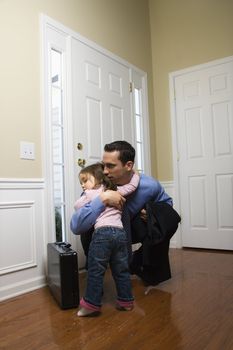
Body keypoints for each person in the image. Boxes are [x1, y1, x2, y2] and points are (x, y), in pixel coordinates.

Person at [70, 140, 175, 287]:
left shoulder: (149, 185)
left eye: (111, 166)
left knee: (167, 220)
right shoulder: (97, 186)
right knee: (89, 221)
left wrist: (151, 213)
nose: (105, 171)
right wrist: (102, 199)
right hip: (103, 232)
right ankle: (94, 273)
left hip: (134, 226)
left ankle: (142, 264)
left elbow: (168, 205)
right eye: (104, 164)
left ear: (129, 165)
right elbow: (76, 226)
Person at [74, 162, 140, 316]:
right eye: (81, 183)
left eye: (85, 181)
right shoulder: (116, 190)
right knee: (121, 269)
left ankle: (91, 305)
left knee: (95, 269)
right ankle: (126, 301)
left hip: (102, 234)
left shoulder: (90, 194)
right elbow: (132, 186)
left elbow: (77, 206)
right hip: (120, 234)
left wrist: (88, 198)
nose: (83, 185)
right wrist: (135, 174)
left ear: (98, 178)